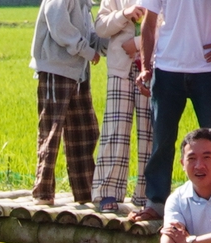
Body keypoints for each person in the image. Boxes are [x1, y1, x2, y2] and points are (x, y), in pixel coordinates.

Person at [138, 0, 211, 210]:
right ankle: (156, 203)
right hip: (167, 69)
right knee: (162, 141)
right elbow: (149, 21)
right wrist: (146, 67)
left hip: (208, 71)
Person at [33, 0, 105, 206]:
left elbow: (90, 34)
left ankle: (85, 193)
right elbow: (60, 28)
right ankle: (43, 193)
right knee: (52, 131)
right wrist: (88, 51)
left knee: (84, 130)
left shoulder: (85, 4)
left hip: (78, 71)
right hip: (56, 68)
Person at [94, 1, 157, 207]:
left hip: (155, 64)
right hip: (119, 65)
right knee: (115, 129)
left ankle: (148, 194)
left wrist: (138, 43)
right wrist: (124, 14)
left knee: (150, 130)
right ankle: (107, 192)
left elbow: (170, 26)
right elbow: (101, 27)